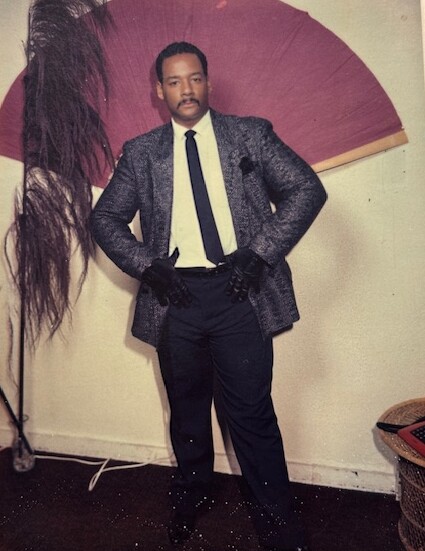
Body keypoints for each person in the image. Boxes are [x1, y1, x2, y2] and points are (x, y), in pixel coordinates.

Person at [90, 41, 327, 551]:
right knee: (188, 410)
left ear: (208, 81)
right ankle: (192, 494)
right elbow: (104, 218)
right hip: (176, 299)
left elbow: (307, 189)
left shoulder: (250, 135)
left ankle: (279, 525)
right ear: (159, 91)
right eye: (174, 81)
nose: (187, 90)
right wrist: (147, 267)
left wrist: (259, 253)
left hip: (240, 294)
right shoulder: (142, 152)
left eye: (194, 78)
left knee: (252, 415)